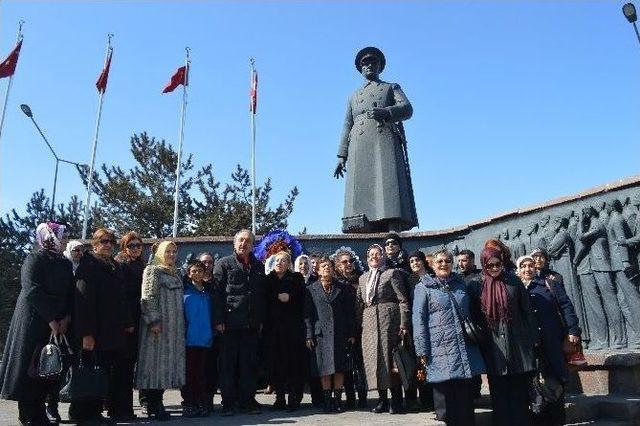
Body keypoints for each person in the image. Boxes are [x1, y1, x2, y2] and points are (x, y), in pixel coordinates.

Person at [334, 46, 418, 233]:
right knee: (361, 185)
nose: (369, 66)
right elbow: (347, 123)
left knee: (386, 180)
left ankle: (392, 223)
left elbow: (407, 109)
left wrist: (387, 112)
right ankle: (361, 225)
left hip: (384, 138)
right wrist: (341, 155)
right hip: (358, 142)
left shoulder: (390, 87)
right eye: (365, 63)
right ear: (360, 69)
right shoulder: (353, 96)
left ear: (380, 66)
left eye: (373, 62)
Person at [0, 222, 73, 426]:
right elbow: (32, 288)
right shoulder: (35, 258)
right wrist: (51, 319)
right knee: (30, 369)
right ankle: (28, 414)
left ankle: (40, 412)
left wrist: (66, 318)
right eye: (62, 235)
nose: (65, 239)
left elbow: (69, 292)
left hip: (57, 324)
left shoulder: (65, 263)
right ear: (50, 237)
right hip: (33, 321)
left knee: (47, 370)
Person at [413, 249, 485, 425]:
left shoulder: (461, 284)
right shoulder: (423, 287)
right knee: (445, 402)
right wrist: (422, 350)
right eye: (440, 262)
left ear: (452, 264)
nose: (444, 264)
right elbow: (418, 319)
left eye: (447, 261)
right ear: (432, 265)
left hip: (463, 348)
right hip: (438, 350)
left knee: (465, 401)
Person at [468, 247, 538, 426]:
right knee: (499, 392)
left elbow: (527, 312)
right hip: (493, 347)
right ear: (484, 265)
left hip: (517, 344)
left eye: (498, 264)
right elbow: (474, 315)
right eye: (490, 265)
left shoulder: (513, 281)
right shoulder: (477, 285)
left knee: (519, 393)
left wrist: (532, 340)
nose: (494, 268)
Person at [71, 228, 132, 423]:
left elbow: (121, 298)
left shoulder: (114, 265)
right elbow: (83, 301)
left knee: (103, 374)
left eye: (111, 241)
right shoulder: (88, 265)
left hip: (112, 332)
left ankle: (95, 412)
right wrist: (86, 333)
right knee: (90, 372)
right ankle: (83, 413)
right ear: (94, 244)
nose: (108, 245)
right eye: (104, 241)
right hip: (94, 332)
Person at [517, 255, 580, 425]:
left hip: (552, 342)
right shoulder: (516, 288)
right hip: (530, 347)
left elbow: (566, 306)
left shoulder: (549, 284)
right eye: (523, 266)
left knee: (555, 382)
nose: (527, 269)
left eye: (530, 265)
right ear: (518, 270)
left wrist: (573, 329)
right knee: (536, 386)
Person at [213, 229, 267, 416]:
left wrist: (259, 321)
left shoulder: (258, 266)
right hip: (229, 324)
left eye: (248, 241)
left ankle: (247, 401)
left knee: (248, 365)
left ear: (253, 245)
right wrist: (219, 320)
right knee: (228, 366)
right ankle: (228, 402)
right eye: (241, 240)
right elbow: (217, 294)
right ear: (234, 243)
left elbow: (260, 297)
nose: (244, 244)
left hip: (250, 325)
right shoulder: (223, 264)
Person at [357, 244, 410, 414]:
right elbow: (359, 303)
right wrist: (359, 324)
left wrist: (404, 323)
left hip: (390, 320)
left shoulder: (391, 273)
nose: (373, 257)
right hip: (370, 323)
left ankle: (396, 401)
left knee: (391, 359)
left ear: (383, 256)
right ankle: (382, 400)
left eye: (377, 254)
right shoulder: (362, 278)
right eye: (370, 255)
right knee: (375, 361)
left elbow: (402, 300)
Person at [136, 240, 185, 422]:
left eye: (174, 251)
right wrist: (153, 320)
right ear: (160, 253)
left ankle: (156, 403)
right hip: (157, 328)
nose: (171, 255)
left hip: (173, 330)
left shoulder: (176, 272)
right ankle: (154, 404)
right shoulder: (152, 270)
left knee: (165, 367)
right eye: (168, 251)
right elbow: (148, 297)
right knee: (154, 367)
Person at [305, 256, 356, 413]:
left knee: (339, 367)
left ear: (334, 270)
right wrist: (309, 335)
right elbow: (307, 314)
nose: (326, 268)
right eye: (323, 266)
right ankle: (327, 401)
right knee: (324, 368)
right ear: (318, 271)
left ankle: (338, 400)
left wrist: (352, 333)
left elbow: (349, 313)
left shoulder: (342, 288)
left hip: (340, 333)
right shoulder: (311, 289)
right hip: (320, 335)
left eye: (329, 266)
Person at [264, 251, 306, 412]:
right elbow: (264, 298)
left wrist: (290, 297)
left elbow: (302, 297)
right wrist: (277, 296)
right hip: (273, 329)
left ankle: (293, 398)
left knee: (292, 364)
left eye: (283, 261)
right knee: (276, 364)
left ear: (289, 264)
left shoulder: (296, 278)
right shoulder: (268, 280)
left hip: (292, 329)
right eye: (277, 260)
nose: (279, 263)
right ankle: (279, 398)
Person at [111, 231, 145, 420]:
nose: (135, 249)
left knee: (128, 366)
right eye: (131, 246)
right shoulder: (121, 265)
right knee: (122, 368)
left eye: (138, 245)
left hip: (137, 320)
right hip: (126, 323)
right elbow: (121, 296)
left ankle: (124, 408)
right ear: (124, 247)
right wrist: (127, 321)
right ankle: (120, 409)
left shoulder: (140, 265)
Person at [334, 247, 367, 409]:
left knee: (360, 364)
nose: (348, 264)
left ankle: (362, 397)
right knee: (346, 365)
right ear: (338, 265)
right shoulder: (335, 283)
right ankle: (350, 397)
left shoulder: (361, 279)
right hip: (343, 329)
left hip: (362, 327)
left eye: (351, 261)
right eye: (344, 261)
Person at [182, 260, 214, 418]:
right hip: (189, 340)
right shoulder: (184, 292)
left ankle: (201, 402)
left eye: (200, 271)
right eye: (193, 271)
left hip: (205, 339)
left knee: (202, 374)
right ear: (189, 273)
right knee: (189, 374)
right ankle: (189, 403)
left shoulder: (209, 292)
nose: (197, 274)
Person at [406, 250, 435, 411]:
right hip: (414, 325)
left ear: (423, 261)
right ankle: (424, 400)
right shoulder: (409, 279)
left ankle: (433, 399)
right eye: (411, 261)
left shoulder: (432, 277)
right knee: (419, 364)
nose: (415, 263)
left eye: (417, 260)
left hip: (431, 323)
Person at [195, 251, 219, 413]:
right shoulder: (188, 283)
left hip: (213, 332)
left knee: (211, 368)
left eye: (210, 262)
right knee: (196, 368)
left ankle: (208, 400)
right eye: (204, 262)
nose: (207, 265)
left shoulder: (217, 284)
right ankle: (194, 400)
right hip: (194, 333)